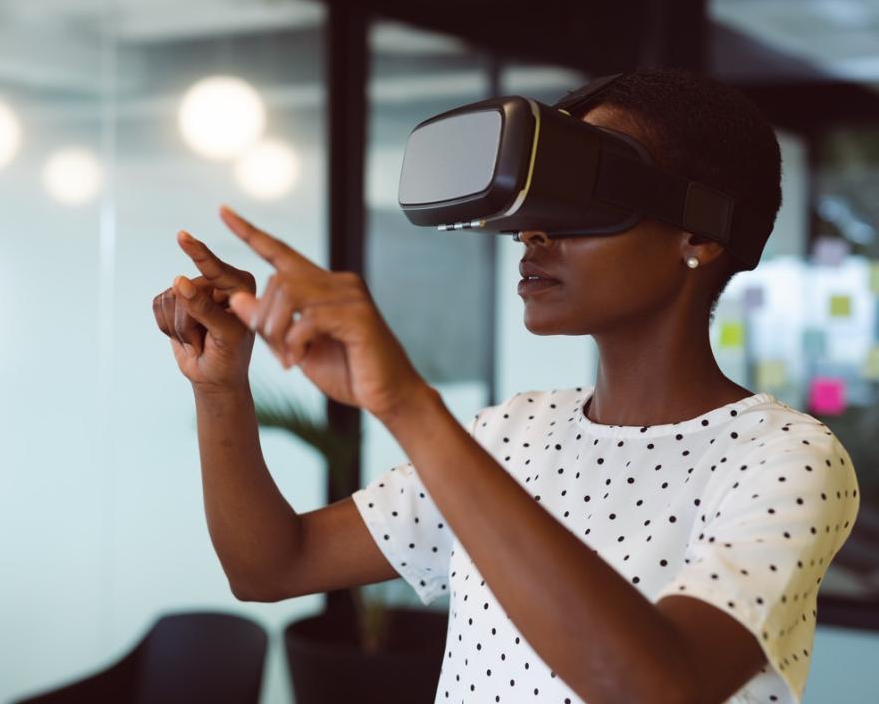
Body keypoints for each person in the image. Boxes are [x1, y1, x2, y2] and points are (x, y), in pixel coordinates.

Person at [152, 69, 860, 704]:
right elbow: (272, 564)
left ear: (699, 234)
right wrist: (221, 389)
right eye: (532, 198)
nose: (533, 229)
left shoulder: (787, 458)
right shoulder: (510, 432)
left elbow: (655, 686)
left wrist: (405, 401)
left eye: (583, 189)